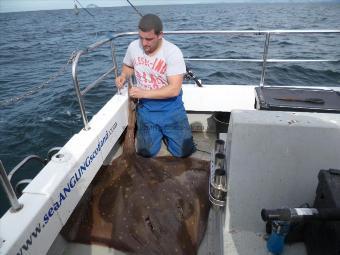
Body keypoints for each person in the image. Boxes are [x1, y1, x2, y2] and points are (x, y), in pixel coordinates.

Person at [115, 14, 195, 158]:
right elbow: (128, 65)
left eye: (149, 39)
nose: (144, 43)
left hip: (171, 108)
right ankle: (157, 134)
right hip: (147, 109)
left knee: (184, 152)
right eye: (141, 38)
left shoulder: (172, 52)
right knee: (147, 153)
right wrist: (123, 76)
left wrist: (142, 93)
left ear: (160, 35)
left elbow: (174, 89)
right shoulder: (133, 47)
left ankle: (168, 135)